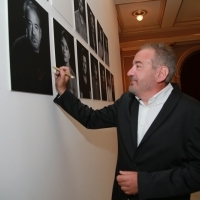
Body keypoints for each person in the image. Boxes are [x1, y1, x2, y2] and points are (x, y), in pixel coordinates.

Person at [53, 43, 200, 200]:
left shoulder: (192, 111)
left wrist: (144, 183)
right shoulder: (126, 102)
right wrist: (63, 91)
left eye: (138, 66)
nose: (130, 72)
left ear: (161, 73)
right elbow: (91, 119)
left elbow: (197, 172)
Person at [10, 0, 52, 95]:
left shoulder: (46, 55)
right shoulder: (18, 48)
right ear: (26, 27)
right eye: (30, 24)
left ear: (40, 32)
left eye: (36, 26)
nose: (33, 32)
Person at [60, 30, 78, 97]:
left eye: (67, 48)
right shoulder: (59, 70)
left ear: (70, 54)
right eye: (62, 45)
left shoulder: (72, 76)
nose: (64, 50)